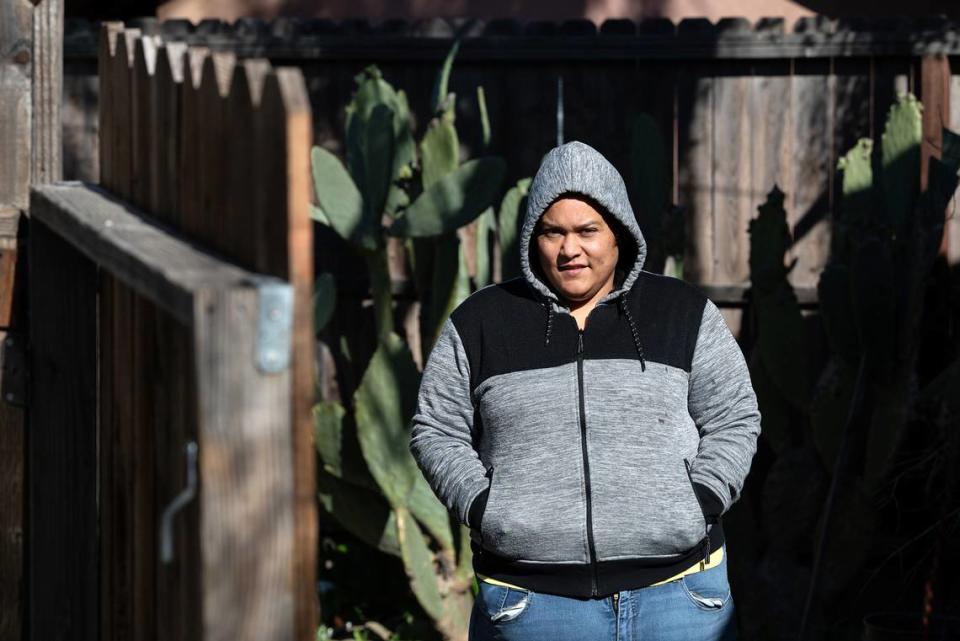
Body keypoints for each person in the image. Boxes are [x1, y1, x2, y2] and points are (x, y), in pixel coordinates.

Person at [409, 140, 761, 641]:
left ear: (619, 233)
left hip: (679, 596)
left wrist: (698, 499)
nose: (569, 249)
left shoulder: (681, 312)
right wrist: (488, 509)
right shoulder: (482, 321)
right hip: (530, 602)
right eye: (552, 232)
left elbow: (734, 417)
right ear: (534, 237)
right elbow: (435, 428)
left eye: (586, 231)